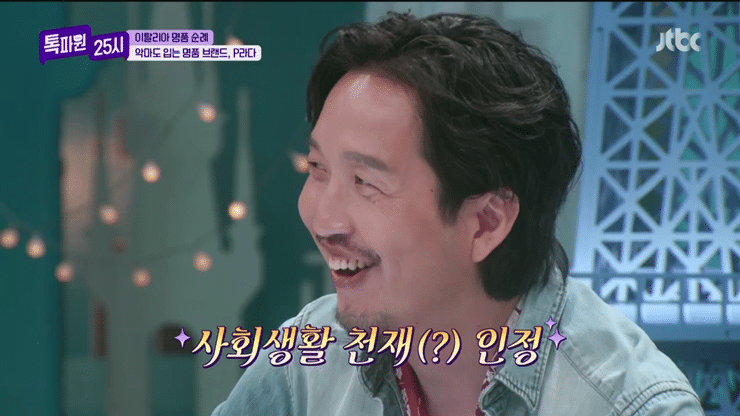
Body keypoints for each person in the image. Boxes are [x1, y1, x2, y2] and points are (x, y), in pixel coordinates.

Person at [213, 12, 703, 416]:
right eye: (317, 168)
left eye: (365, 182)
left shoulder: (631, 405)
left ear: (487, 223)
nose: (322, 220)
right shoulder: (306, 360)